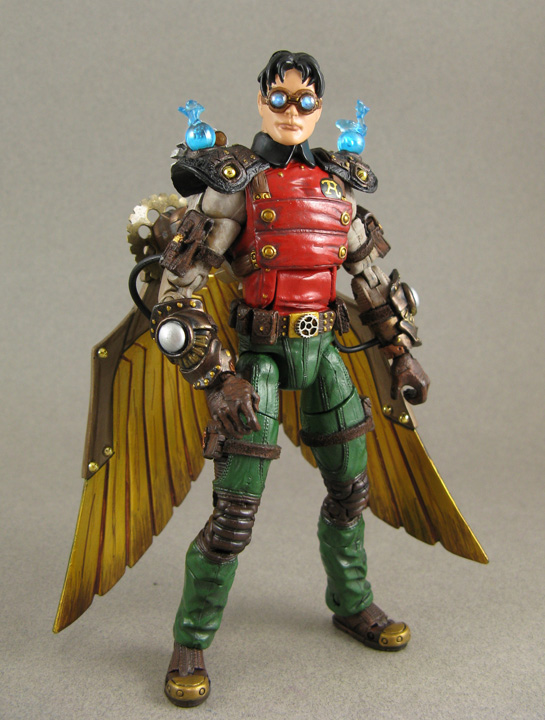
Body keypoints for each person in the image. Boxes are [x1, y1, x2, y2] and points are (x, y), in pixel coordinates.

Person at [152, 50, 430, 708]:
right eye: (279, 98)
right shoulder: (235, 184)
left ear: (320, 109)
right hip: (259, 362)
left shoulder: (337, 185)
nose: (291, 111)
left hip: (325, 352)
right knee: (233, 517)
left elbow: (368, 280)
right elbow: (175, 294)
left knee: (350, 494)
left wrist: (399, 353)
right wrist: (218, 379)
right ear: (260, 101)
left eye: (305, 101)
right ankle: (190, 641)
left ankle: (351, 602)